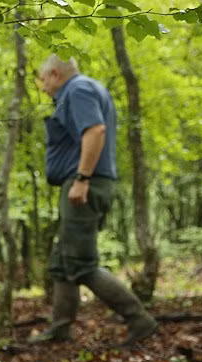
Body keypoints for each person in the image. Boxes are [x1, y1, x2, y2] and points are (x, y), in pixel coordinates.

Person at [33, 54, 157, 345]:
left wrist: (82, 179)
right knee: (63, 262)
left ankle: (139, 319)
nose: (42, 87)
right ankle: (60, 328)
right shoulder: (84, 88)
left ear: (54, 74)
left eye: (42, 80)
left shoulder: (78, 89)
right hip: (81, 183)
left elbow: (95, 130)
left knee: (80, 263)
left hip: (84, 185)